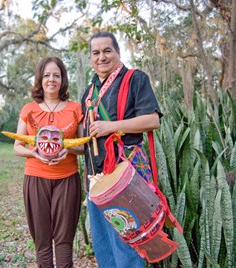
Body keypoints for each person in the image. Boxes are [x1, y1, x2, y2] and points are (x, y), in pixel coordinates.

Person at [81, 32, 162, 268]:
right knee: (103, 243)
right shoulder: (89, 93)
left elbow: (152, 120)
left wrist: (112, 127)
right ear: (90, 58)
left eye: (107, 50)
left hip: (125, 178)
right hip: (96, 179)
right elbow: (85, 137)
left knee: (127, 241)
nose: (101, 57)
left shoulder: (135, 79)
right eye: (95, 53)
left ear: (118, 53)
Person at [13, 56, 83, 268]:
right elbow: (17, 147)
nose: (51, 79)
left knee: (64, 240)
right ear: (40, 79)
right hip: (35, 178)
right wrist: (34, 153)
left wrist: (67, 149)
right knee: (42, 241)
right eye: (46, 75)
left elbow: (83, 146)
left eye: (56, 75)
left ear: (63, 79)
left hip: (67, 179)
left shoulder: (75, 108)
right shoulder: (29, 109)